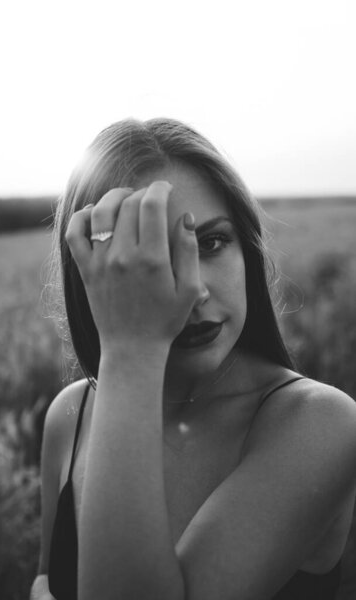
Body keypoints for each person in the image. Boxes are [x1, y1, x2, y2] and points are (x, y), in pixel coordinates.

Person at [30, 118, 356, 600]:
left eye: (211, 243)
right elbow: (45, 580)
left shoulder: (321, 424)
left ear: (246, 248)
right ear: (96, 275)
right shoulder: (70, 416)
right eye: (151, 259)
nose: (194, 289)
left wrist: (130, 348)